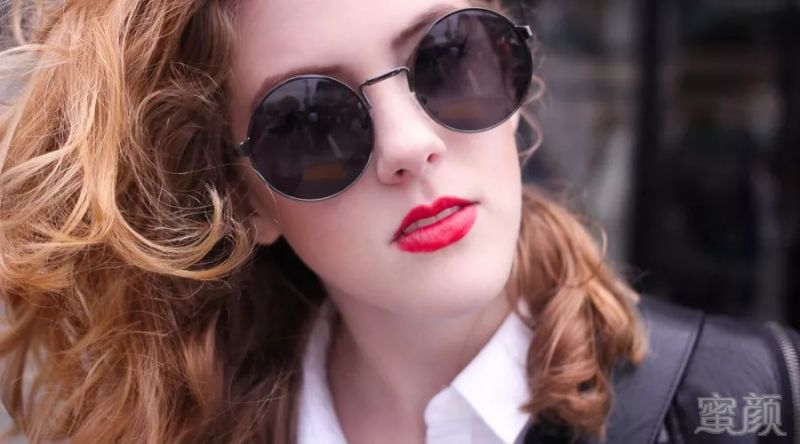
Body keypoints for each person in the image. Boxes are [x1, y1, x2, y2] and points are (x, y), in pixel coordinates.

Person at [0, 1, 797, 443]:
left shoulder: (755, 401)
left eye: (448, 57)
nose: (410, 146)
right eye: (310, 121)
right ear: (243, 199)